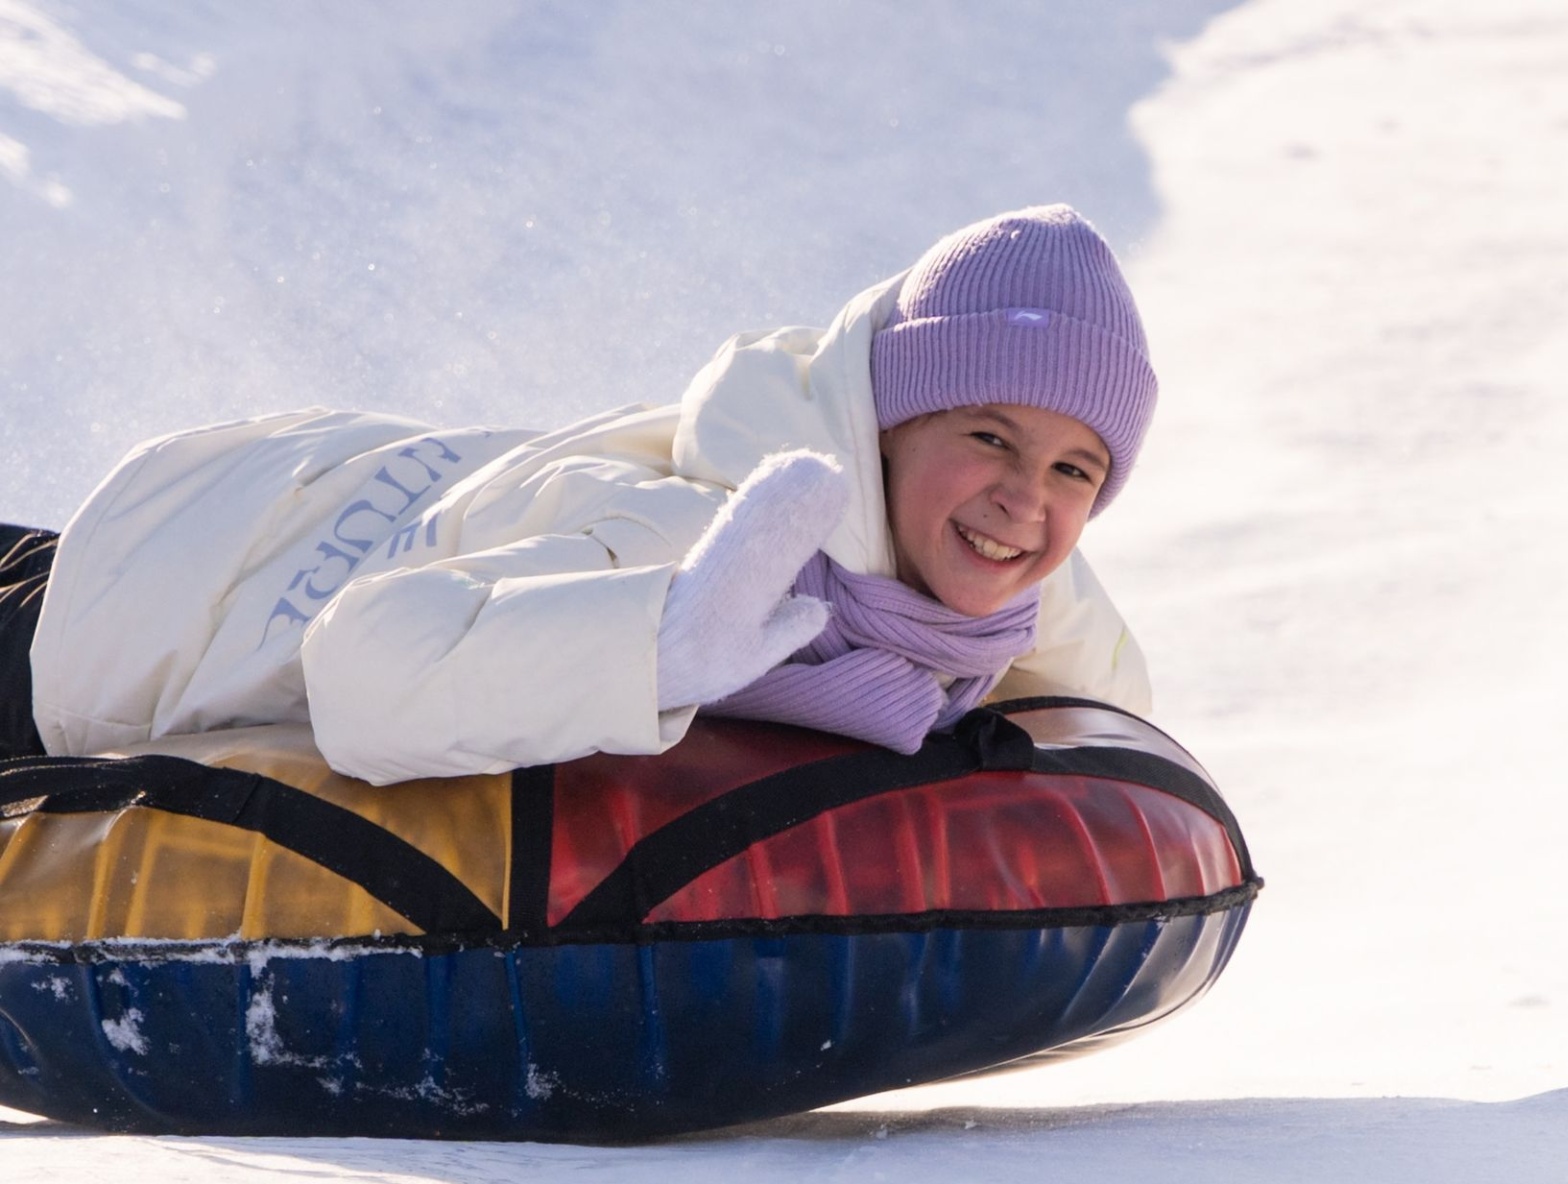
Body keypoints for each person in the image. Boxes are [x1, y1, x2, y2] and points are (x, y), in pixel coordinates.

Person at [0, 204, 1154, 785]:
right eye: (988, 437)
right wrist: (652, 646)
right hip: (123, 605)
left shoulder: (991, 600)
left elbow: (1118, 725)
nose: (1025, 499)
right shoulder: (698, 535)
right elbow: (360, 660)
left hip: (273, 507)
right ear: (887, 426)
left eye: (1075, 469)